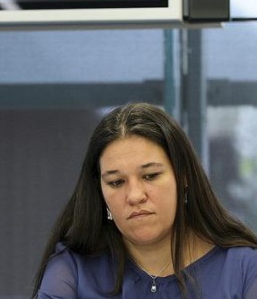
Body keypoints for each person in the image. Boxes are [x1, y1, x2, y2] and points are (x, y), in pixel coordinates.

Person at [33, 102, 257, 298]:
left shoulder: (245, 269)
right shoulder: (72, 269)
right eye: (116, 182)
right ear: (99, 191)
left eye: (150, 176)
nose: (134, 196)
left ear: (184, 177)